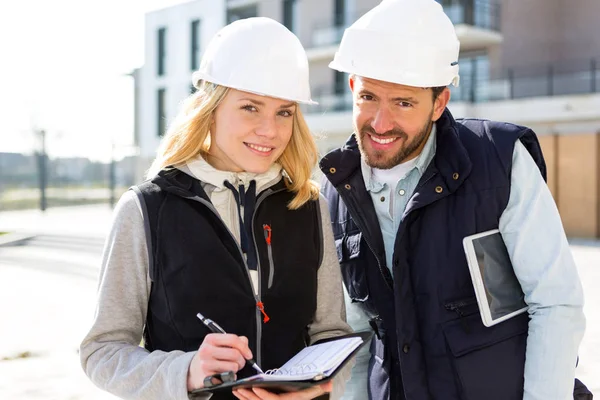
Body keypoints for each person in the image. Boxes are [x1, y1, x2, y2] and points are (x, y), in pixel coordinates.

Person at [319, 1, 588, 399]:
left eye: (403, 103)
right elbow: (356, 335)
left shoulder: (499, 161)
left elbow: (555, 305)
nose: (380, 123)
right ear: (352, 89)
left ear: (439, 103)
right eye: (369, 97)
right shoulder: (336, 190)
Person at [80, 17, 352, 400]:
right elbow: (101, 352)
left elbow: (330, 334)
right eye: (250, 108)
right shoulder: (146, 210)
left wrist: (322, 386)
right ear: (211, 106)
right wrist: (186, 371)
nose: (270, 130)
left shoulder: (308, 206)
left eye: (284, 112)